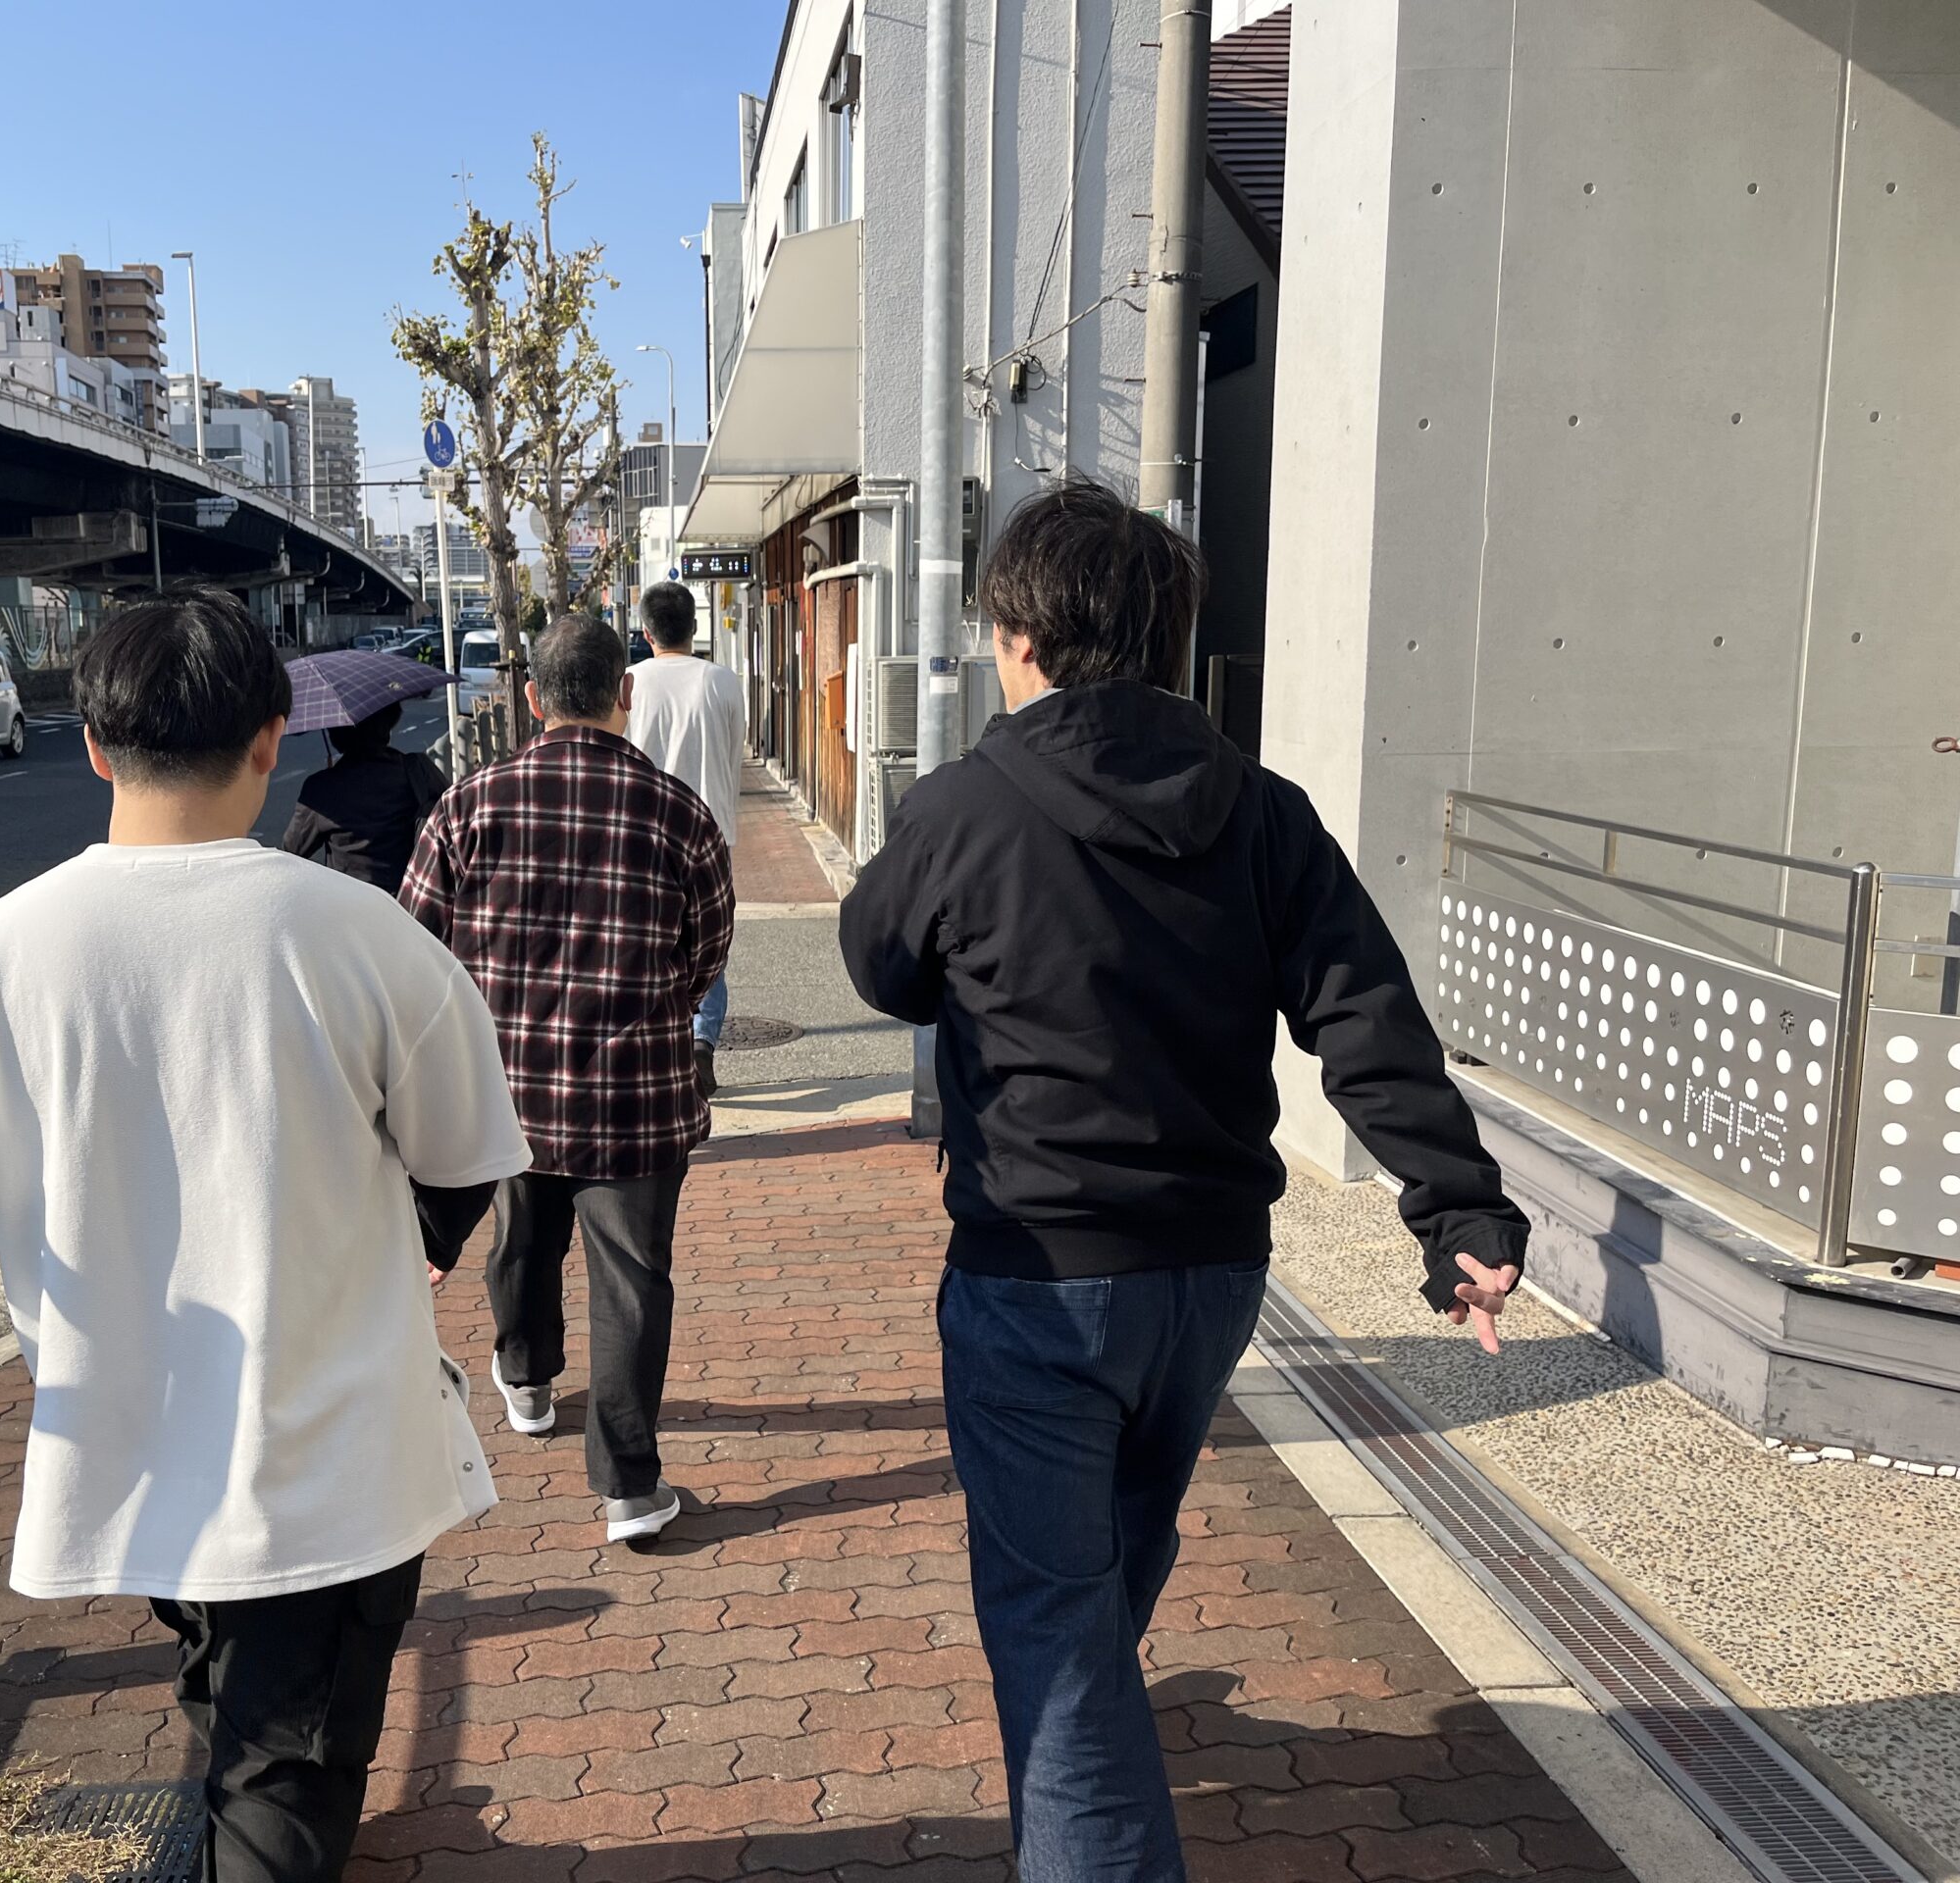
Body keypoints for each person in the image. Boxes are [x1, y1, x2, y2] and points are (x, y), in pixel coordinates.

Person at [838, 481, 1527, 1883]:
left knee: (1055, 1636)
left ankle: (1088, 1812)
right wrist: (1455, 1207)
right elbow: (1364, 1014)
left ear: (1022, 637)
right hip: (1209, 1279)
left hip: (1037, 1276)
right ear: (1167, 644)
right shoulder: (1263, 813)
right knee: (1114, 1556)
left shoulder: (966, 808)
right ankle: (1087, 1750)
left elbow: (879, 967)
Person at [0, 590, 530, 1882]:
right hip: (326, 1448)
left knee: (228, 1702)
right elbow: (466, 1157)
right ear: (270, 739)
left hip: (128, 1439)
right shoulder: (362, 936)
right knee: (284, 1770)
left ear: (93, 747)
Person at [402, 613, 735, 1546]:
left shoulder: (468, 804)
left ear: (531, 698)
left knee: (522, 1240)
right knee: (632, 1283)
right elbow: (707, 950)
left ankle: (526, 1378)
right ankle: (628, 1488)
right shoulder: (678, 811)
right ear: (625, 694)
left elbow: (415, 946)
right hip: (635, 1094)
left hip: (509, 1087)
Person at [626, 580, 748, 1095]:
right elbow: (735, 752)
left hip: (642, 831)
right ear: (694, 627)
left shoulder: (630, 682)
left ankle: (659, 1045)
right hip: (709, 831)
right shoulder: (722, 681)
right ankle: (701, 1038)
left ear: (646, 632)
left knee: (648, 941)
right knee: (707, 940)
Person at [279, 700, 448, 892]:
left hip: (350, 902)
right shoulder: (418, 769)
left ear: (336, 734)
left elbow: (292, 849)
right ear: (389, 723)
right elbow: (452, 816)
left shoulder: (322, 788)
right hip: (413, 896)